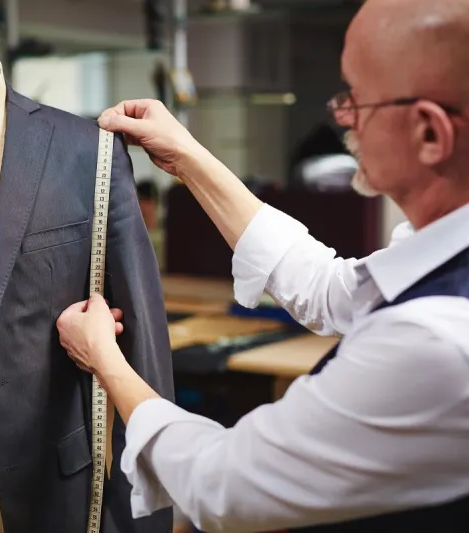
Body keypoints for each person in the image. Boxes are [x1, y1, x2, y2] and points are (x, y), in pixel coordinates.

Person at [57, 0, 469, 531]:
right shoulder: (442, 258)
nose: (341, 116)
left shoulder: (434, 341)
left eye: (358, 101)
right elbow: (329, 288)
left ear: (431, 134)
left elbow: (221, 484)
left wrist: (104, 360)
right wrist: (188, 157)